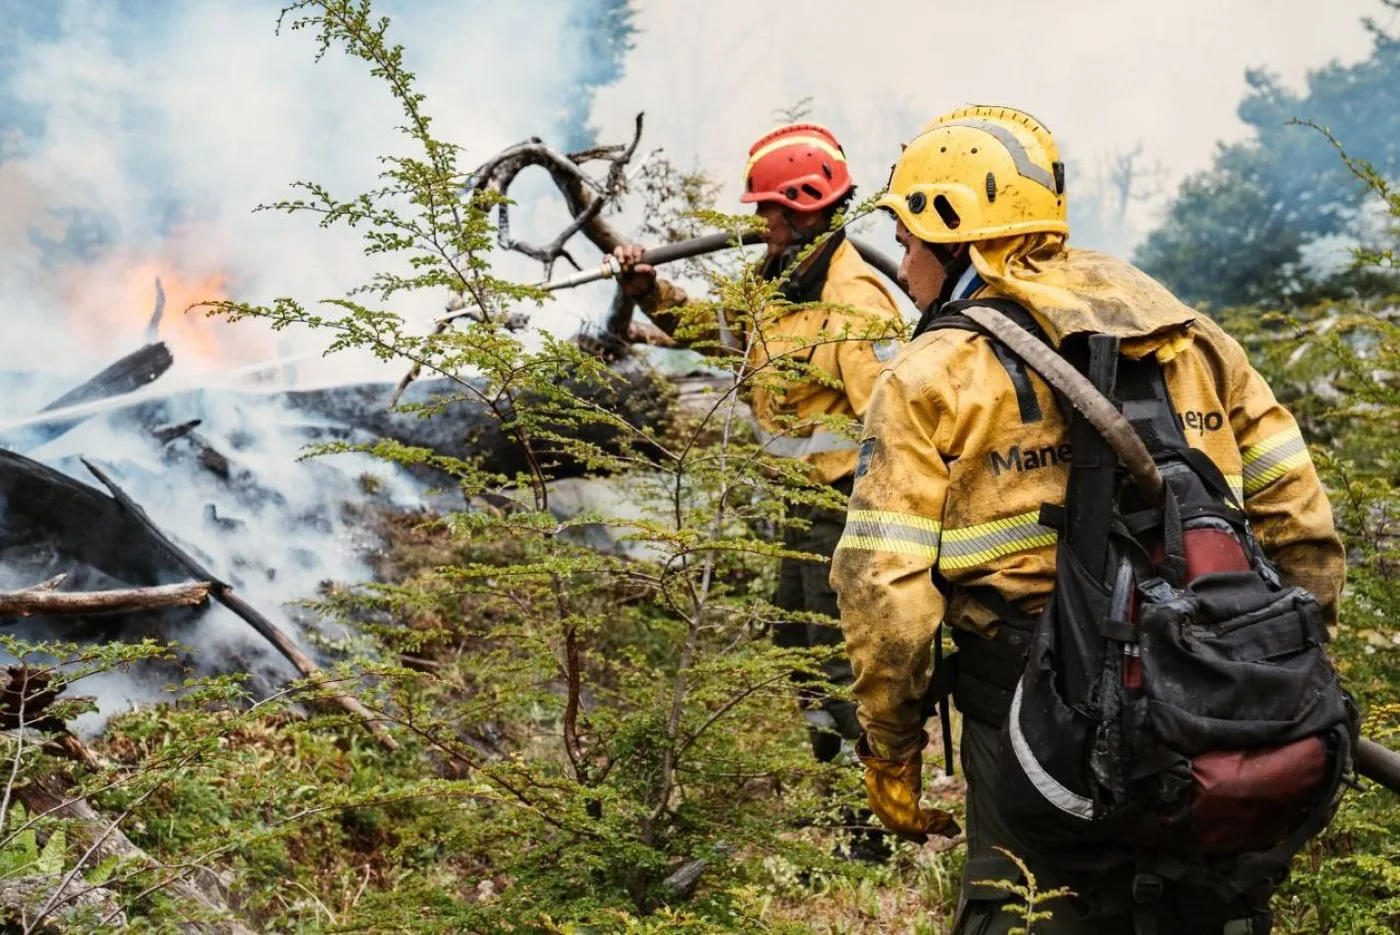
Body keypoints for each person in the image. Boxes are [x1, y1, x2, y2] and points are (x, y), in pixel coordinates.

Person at [830, 106, 1345, 932]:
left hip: (1026, 709)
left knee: (1026, 911)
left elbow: (883, 593)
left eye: (909, 236)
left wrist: (891, 745)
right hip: (1207, 694)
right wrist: (1275, 671)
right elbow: (1302, 520)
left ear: (952, 234)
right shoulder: (1187, 334)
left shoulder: (932, 373)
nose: (903, 259)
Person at [613, 123, 906, 770]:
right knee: (793, 642)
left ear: (804, 208)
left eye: (770, 208)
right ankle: (831, 783)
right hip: (796, 505)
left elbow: (896, 422)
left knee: (837, 653)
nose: (762, 221)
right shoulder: (776, 283)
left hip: (843, 507)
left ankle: (870, 817)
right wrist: (648, 293)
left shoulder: (853, 300)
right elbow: (719, 332)